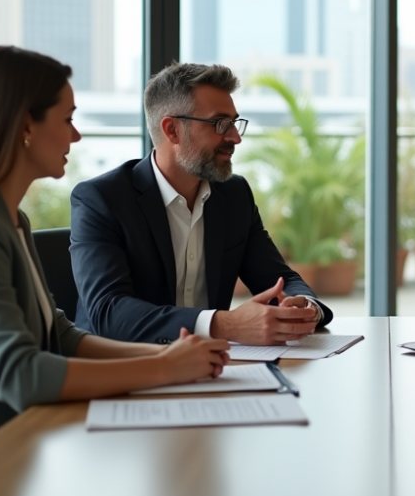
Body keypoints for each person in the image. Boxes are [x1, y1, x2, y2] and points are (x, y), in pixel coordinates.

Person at [0, 47, 229, 496]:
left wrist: (171, 357)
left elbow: (60, 336)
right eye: (67, 119)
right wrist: (161, 368)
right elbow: (20, 374)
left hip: (7, 452)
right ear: (25, 126)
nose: (76, 135)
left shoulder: (9, 221)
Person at [70, 62, 333, 346]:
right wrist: (226, 324)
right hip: (126, 364)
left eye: (234, 123)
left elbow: (279, 279)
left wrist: (304, 307)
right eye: (220, 123)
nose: (235, 137)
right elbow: (108, 313)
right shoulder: (101, 199)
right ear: (172, 130)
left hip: (214, 363)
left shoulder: (234, 195)